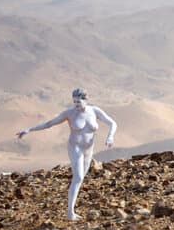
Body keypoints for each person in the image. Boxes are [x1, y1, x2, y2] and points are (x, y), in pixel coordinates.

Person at [16, 88, 116, 221]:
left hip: (88, 149)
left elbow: (112, 123)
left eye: (79, 101)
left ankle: (71, 210)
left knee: (80, 179)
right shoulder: (69, 113)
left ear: (86, 100)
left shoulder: (94, 111)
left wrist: (110, 137)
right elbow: (49, 123)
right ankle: (70, 212)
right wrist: (29, 129)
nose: (76, 104)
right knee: (78, 176)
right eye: (74, 101)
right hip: (75, 147)